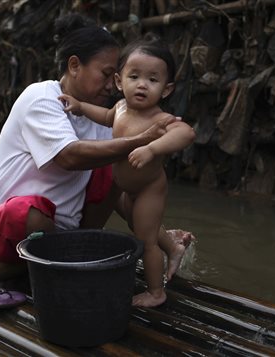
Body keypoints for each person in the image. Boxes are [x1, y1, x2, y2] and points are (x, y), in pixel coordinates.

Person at [0, 14, 194, 295]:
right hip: (7, 231)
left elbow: (122, 192)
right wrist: (143, 140)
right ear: (75, 65)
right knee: (29, 212)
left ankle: (76, 251)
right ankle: (77, 256)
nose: (111, 85)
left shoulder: (102, 120)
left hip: (66, 236)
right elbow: (70, 156)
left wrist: (161, 239)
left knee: (116, 167)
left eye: (114, 77)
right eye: (105, 74)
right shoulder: (42, 96)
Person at [58, 37, 196, 307]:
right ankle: (175, 247)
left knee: (145, 240)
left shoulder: (160, 119)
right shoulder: (120, 108)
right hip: (125, 187)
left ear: (166, 90)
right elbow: (105, 116)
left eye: (153, 80)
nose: (142, 84)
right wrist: (81, 106)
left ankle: (156, 292)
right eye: (135, 76)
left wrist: (153, 149)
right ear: (120, 82)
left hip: (148, 189)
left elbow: (186, 133)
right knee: (140, 226)